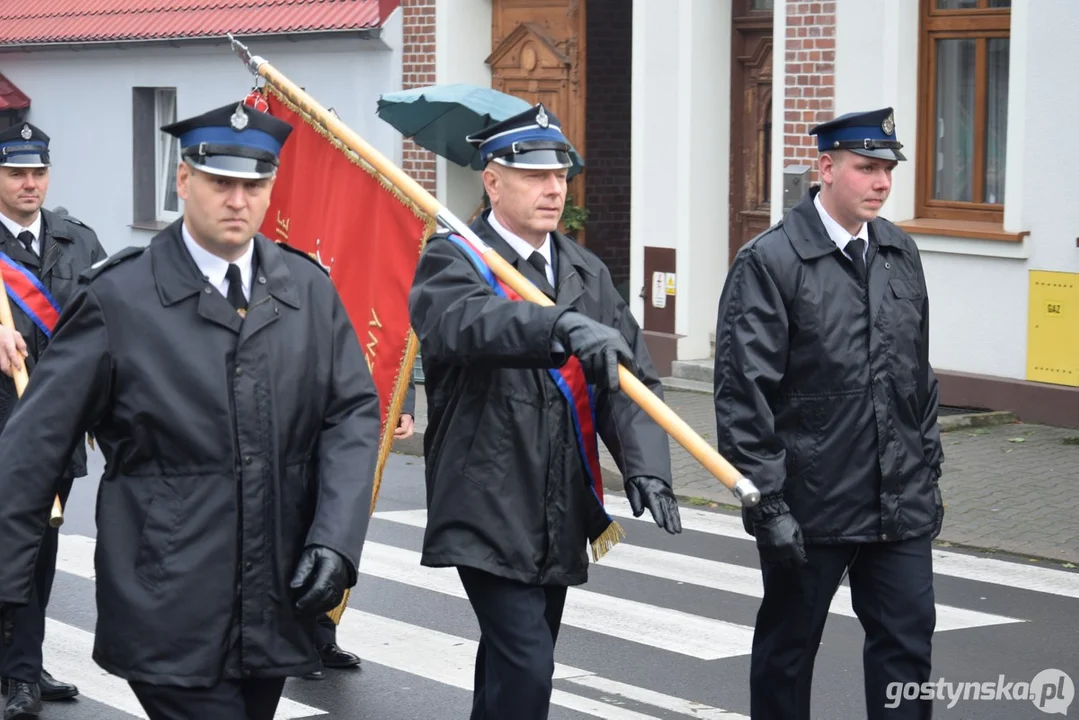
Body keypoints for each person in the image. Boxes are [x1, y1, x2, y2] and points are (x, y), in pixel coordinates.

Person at [0, 100, 382, 720]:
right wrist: (8, 585)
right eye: (220, 182)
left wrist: (336, 540)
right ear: (184, 180)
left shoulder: (306, 290)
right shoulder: (119, 298)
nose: (238, 200)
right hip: (166, 594)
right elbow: (33, 448)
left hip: (273, 597)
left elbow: (352, 415)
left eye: (255, 184)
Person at [408, 103, 682, 720]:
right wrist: (558, 324)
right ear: (493, 181)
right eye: (533, 175)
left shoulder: (586, 271)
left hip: (559, 502)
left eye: (561, 175)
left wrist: (646, 465)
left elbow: (629, 379)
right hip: (485, 499)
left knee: (511, 670)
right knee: (528, 666)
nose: (554, 189)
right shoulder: (456, 260)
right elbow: (463, 326)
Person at [712, 108, 943, 720]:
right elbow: (743, 393)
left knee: (907, 647)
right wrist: (769, 503)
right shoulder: (770, 260)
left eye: (888, 170)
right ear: (826, 168)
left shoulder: (899, 250)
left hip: (899, 501)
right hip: (809, 505)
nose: (881, 183)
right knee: (788, 652)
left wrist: (927, 467)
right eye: (867, 168)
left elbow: (918, 373)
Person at [0, 121, 106, 717]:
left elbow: (109, 317)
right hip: (3, 422)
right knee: (13, 546)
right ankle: (18, 673)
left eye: (38, 172)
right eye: (16, 173)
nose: (29, 183)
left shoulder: (77, 240)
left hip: (58, 423)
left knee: (39, 549)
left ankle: (22, 661)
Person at [302, 381, 416, 681]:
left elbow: (402, 336)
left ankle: (322, 637)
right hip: (305, 405)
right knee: (303, 519)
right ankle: (297, 640)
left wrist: (404, 403)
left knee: (340, 525)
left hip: (352, 407)